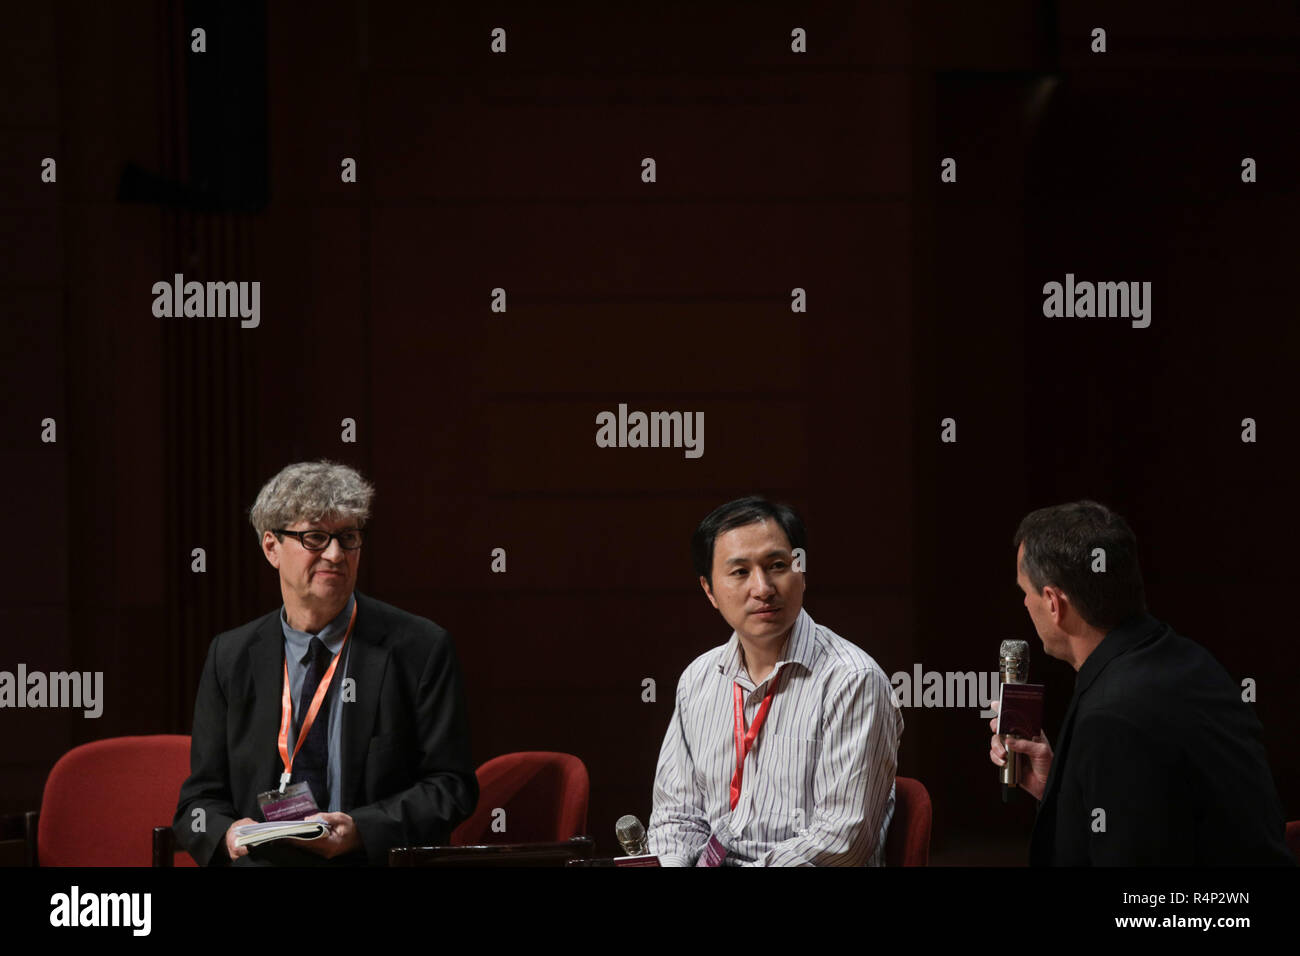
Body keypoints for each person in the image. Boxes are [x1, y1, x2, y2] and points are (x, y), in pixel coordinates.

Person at [173, 460, 477, 865]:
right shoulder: (229, 656)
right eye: (316, 538)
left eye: (347, 537)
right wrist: (227, 834)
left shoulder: (420, 648)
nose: (335, 554)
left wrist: (362, 829)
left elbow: (451, 787)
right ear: (271, 548)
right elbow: (198, 802)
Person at [989, 500, 1293, 865]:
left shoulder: (1113, 714)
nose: (1024, 603)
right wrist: (1061, 788)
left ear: (1054, 603)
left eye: (1026, 591)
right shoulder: (1188, 658)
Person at [648, 496, 903, 866]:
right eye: (739, 572)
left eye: (777, 565)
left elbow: (842, 841)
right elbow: (676, 818)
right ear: (709, 590)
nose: (763, 587)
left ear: (801, 570)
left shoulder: (852, 681)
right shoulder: (697, 680)